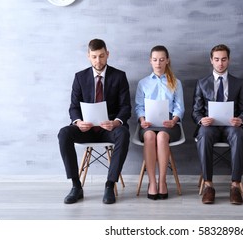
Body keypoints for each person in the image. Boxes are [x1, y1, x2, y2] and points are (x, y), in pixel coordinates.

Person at [58, 38, 131, 205]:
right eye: (94, 56)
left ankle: (109, 184)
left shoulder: (119, 76)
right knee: (64, 133)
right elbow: (73, 107)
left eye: (102, 56)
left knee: (124, 133)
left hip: (109, 128)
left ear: (108, 55)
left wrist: (116, 122)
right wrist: (77, 122)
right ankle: (76, 186)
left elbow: (126, 107)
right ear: (88, 57)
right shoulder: (80, 77)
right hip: (87, 128)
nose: (98, 60)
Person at [192, 44, 243, 205]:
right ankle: (208, 186)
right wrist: (201, 120)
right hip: (210, 126)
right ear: (211, 60)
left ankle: (235, 186)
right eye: (217, 59)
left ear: (229, 60)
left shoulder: (238, 83)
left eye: (224, 59)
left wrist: (241, 120)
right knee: (202, 134)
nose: (220, 63)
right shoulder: (202, 83)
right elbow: (195, 112)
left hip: (231, 125)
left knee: (239, 134)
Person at [135, 45, 184, 200]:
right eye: (155, 60)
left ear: (167, 61)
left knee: (162, 137)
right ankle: (152, 183)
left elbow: (179, 107)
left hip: (169, 124)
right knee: (149, 136)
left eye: (162, 60)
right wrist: (142, 120)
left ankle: (162, 181)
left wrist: (174, 120)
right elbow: (139, 106)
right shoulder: (143, 83)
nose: (158, 63)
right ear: (150, 61)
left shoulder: (176, 82)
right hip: (148, 123)